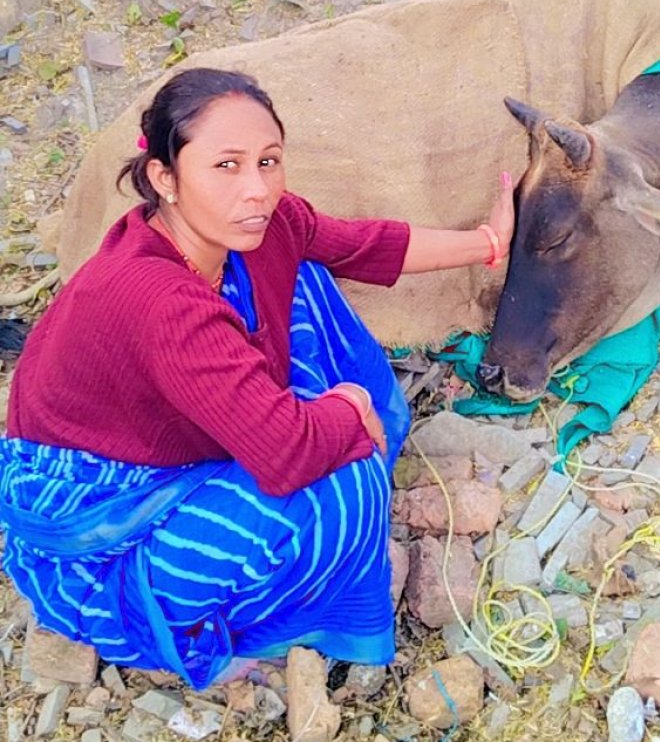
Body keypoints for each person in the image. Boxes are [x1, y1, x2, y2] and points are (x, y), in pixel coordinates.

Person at [0, 68, 515, 690]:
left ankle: (309, 458)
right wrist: (350, 407)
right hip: (102, 515)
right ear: (164, 177)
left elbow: (359, 245)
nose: (257, 190)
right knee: (344, 484)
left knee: (303, 280)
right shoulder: (158, 298)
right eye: (227, 166)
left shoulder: (246, 230)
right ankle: (214, 629)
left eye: (268, 162)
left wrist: (488, 243)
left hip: (172, 430)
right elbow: (288, 453)